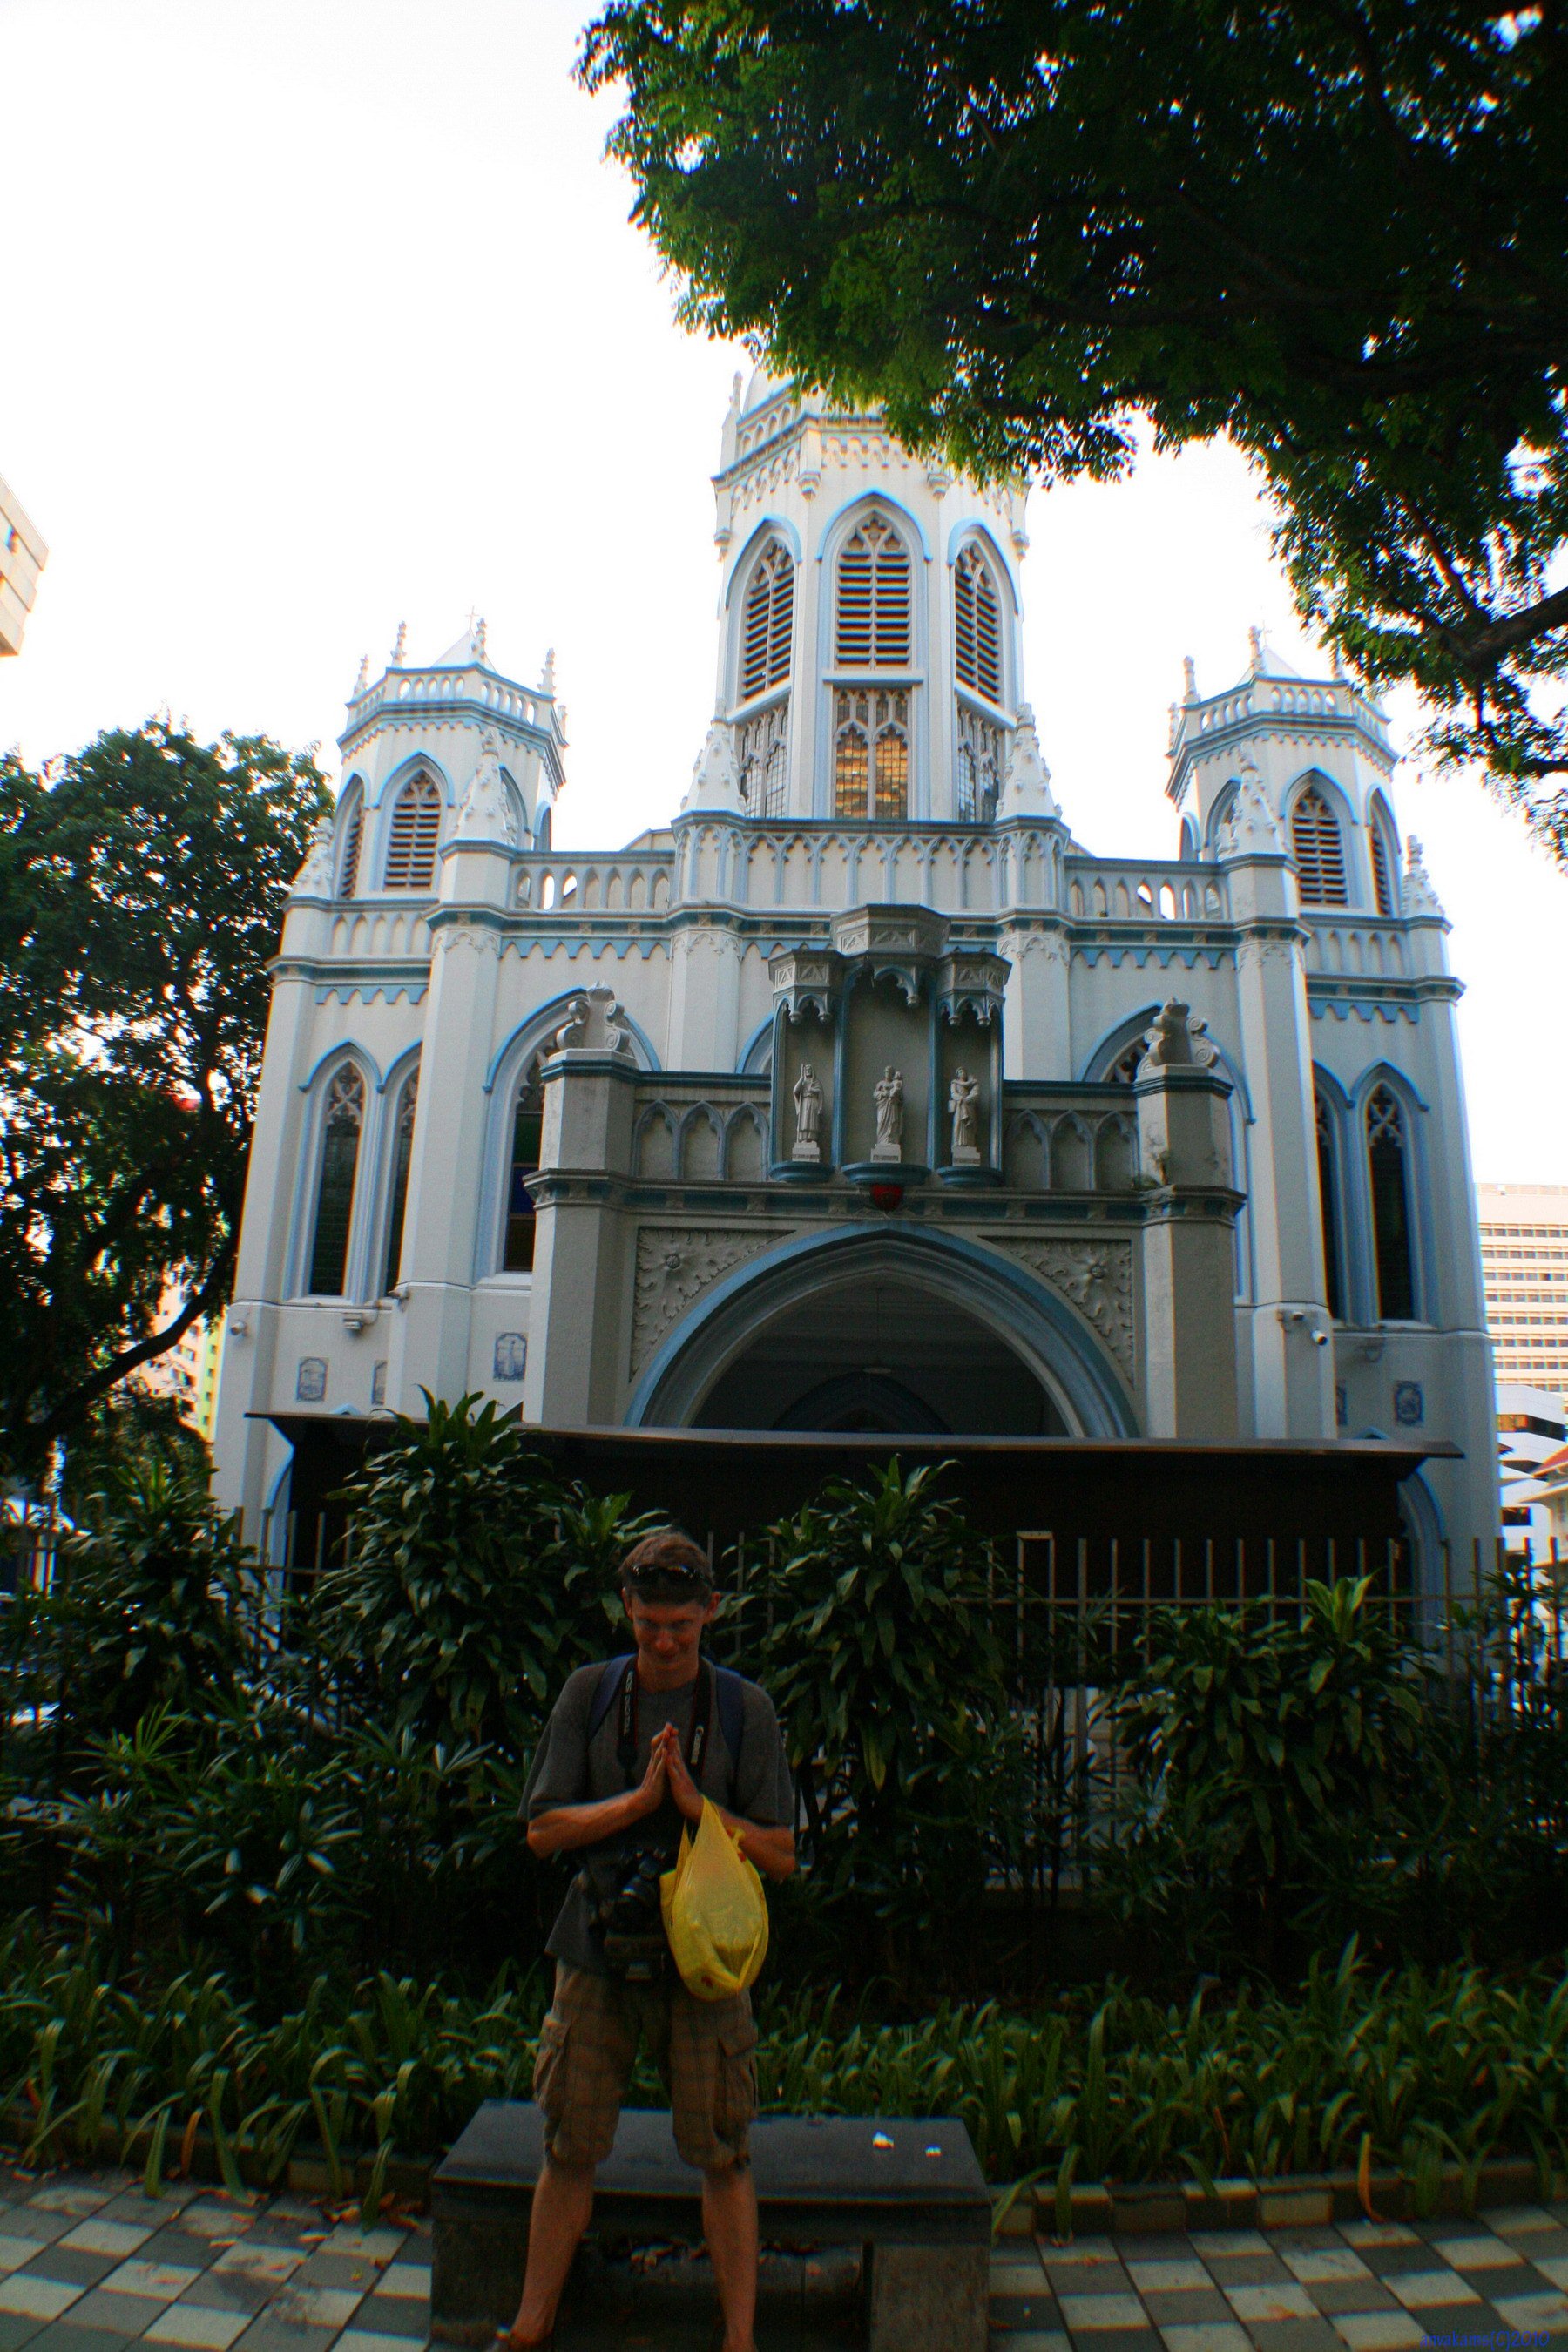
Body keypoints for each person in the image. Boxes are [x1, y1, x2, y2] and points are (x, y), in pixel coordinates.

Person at [497, 1531, 795, 2352]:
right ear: (626, 1608)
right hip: (597, 1948)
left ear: (712, 1612)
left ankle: (740, 2338)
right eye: (650, 1624)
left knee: (724, 2152)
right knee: (569, 2143)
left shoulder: (743, 1710)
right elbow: (542, 1831)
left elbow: (781, 1854)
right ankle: (532, 2322)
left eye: (682, 1627)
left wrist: (699, 1809)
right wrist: (635, 1805)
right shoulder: (589, 1694)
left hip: (705, 1965)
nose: (665, 1643)